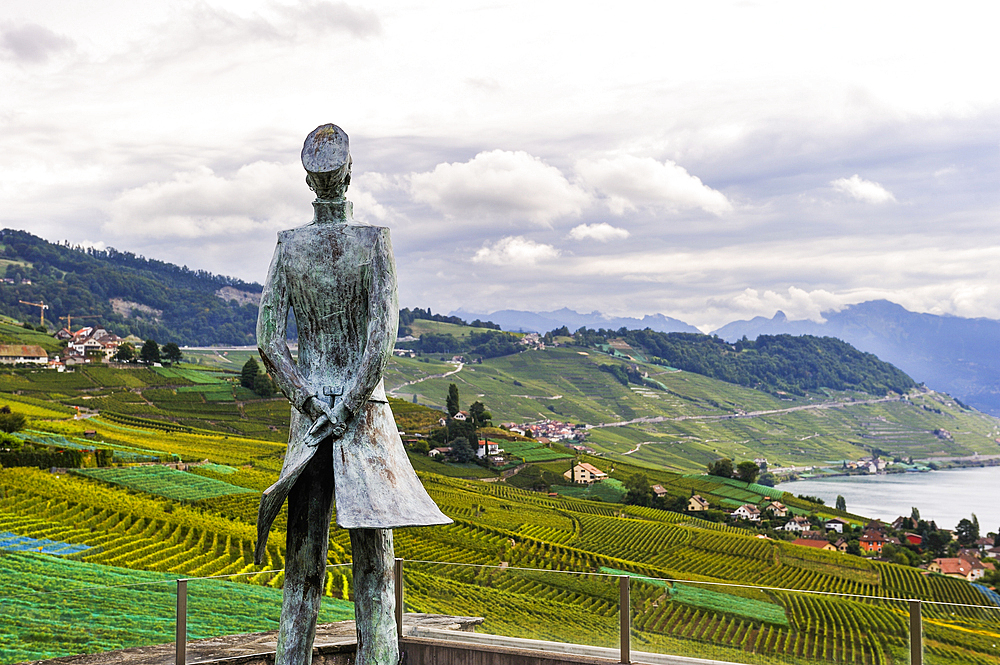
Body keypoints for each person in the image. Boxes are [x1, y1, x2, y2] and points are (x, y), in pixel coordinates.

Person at [254, 124, 450, 665]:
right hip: (363, 422)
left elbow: (269, 339)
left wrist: (312, 403)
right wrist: (347, 407)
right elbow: (379, 340)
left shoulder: (289, 245)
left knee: (302, 572)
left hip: (310, 424)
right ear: (348, 174)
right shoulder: (373, 242)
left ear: (309, 179)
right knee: (374, 576)